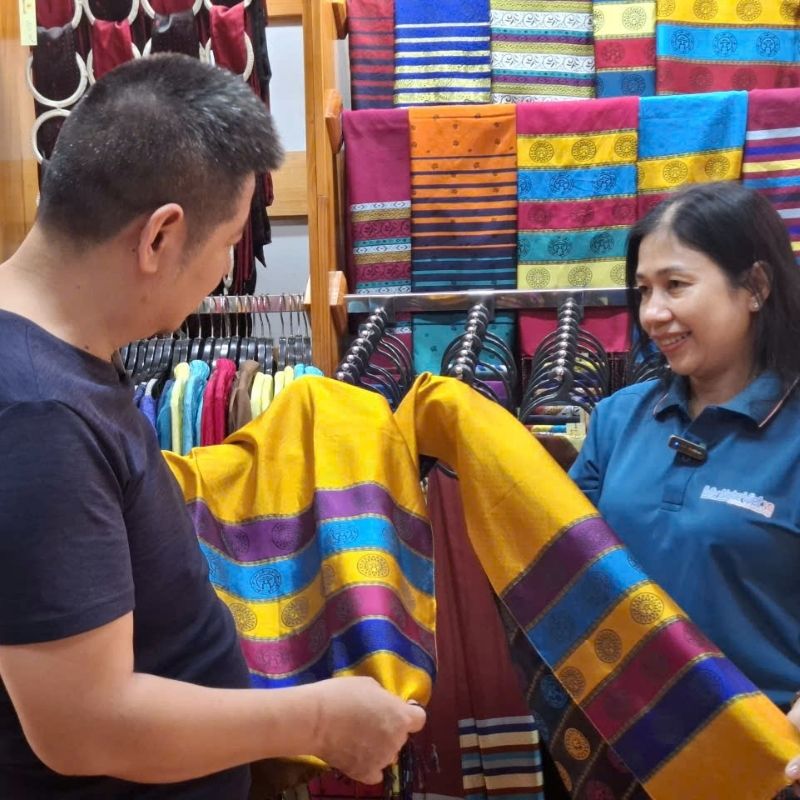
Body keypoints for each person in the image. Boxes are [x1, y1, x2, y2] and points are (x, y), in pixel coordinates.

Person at [0, 54, 424, 797]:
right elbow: (84, 726)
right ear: (160, 237)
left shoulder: (53, 365)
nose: (224, 269)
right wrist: (320, 720)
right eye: (230, 241)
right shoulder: (39, 414)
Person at [568, 181, 800, 786]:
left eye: (675, 285)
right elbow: (563, 562)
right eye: (644, 290)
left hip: (765, 759)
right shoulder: (617, 420)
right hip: (620, 753)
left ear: (756, 286)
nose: (652, 314)